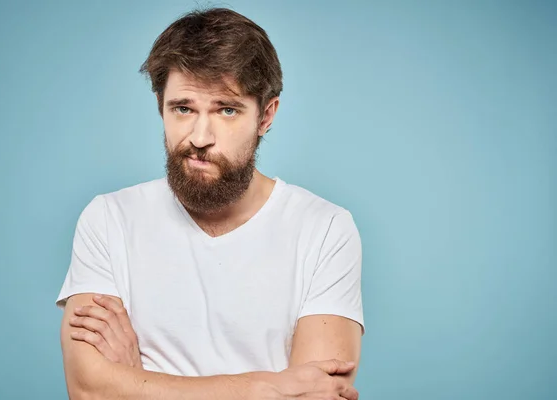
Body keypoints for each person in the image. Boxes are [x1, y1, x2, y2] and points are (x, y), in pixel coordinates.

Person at [56, 7, 364, 400]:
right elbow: (89, 391)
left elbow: (320, 396)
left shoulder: (325, 229)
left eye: (227, 110)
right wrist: (263, 387)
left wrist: (137, 381)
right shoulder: (108, 219)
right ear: (160, 106)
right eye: (183, 108)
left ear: (266, 115)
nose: (200, 136)